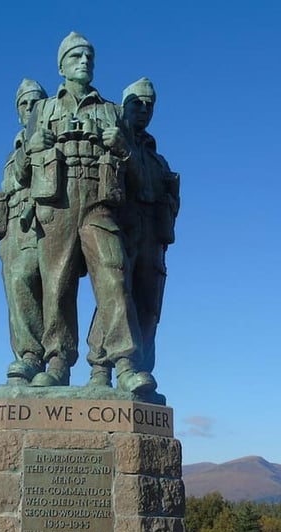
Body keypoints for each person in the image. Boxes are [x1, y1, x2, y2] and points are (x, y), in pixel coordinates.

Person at [24, 32, 155, 393]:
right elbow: (21, 170)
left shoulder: (112, 110)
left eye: (89, 58)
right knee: (57, 285)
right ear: (62, 65)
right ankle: (57, 362)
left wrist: (123, 147)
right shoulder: (44, 110)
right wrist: (32, 149)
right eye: (76, 56)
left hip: (99, 201)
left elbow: (137, 176)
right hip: (57, 202)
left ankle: (124, 362)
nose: (84, 62)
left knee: (114, 276)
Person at [118, 77, 179, 376]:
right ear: (123, 107)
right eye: (137, 103)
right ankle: (104, 366)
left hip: (153, 238)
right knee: (116, 298)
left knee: (149, 306)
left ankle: (141, 370)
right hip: (123, 231)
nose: (143, 109)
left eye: (149, 105)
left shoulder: (159, 161)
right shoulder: (113, 145)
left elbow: (171, 203)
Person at [0, 79, 48, 385]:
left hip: (37, 222)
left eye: (36, 102)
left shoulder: (46, 140)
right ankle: (25, 360)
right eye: (24, 103)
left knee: (26, 279)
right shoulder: (15, 147)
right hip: (10, 227)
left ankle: (34, 354)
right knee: (15, 293)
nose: (30, 108)